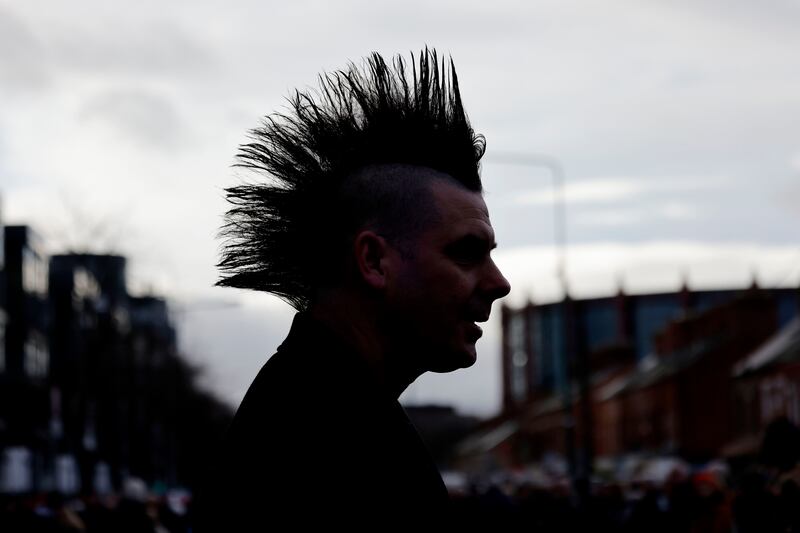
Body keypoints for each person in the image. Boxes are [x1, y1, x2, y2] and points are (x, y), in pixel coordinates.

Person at [195, 48, 511, 529]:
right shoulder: (323, 441)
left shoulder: (323, 410)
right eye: (466, 252)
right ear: (373, 260)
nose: (498, 283)